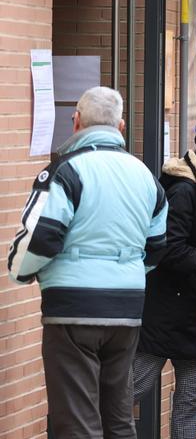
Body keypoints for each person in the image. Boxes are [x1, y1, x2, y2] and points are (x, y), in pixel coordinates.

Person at [8, 86, 168, 438]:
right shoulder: (146, 177)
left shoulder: (64, 172)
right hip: (127, 308)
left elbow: (40, 238)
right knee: (118, 415)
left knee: (77, 419)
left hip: (72, 307)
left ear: (75, 121)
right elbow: (157, 247)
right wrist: (125, 272)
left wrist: (20, 272)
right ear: (121, 126)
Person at [133, 119, 196, 439]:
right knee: (136, 385)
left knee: (190, 398)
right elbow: (170, 249)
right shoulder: (185, 190)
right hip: (167, 308)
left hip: (194, 310)